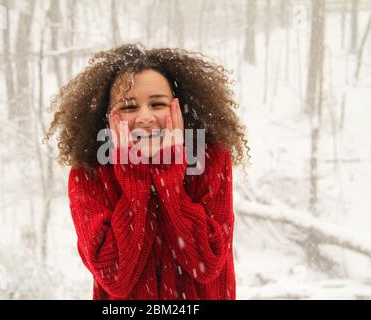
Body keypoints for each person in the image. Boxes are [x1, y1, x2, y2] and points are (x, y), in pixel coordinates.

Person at [44, 43, 248, 300]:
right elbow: (115, 277)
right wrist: (133, 175)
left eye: (158, 104)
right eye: (128, 107)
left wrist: (168, 171)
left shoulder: (210, 159)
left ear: (179, 107)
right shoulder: (90, 173)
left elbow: (207, 263)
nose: (145, 117)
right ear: (107, 117)